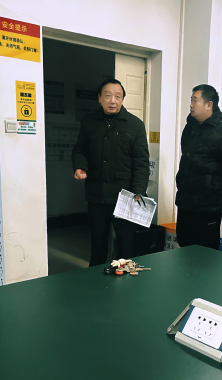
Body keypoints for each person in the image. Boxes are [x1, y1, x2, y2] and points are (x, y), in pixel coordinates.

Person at [72, 78, 149, 266]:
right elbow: (79, 150)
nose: (112, 101)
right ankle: (96, 277)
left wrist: (138, 192)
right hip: (97, 194)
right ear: (99, 98)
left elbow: (141, 162)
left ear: (122, 99)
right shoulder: (89, 122)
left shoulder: (135, 125)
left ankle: (126, 277)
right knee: (98, 243)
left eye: (117, 96)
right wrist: (80, 166)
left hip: (126, 197)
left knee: (126, 243)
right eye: (107, 96)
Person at [175, 84, 222, 249]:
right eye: (191, 100)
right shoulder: (190, 128)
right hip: (185, 203)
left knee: (206, 254)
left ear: (209, 104)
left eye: (195, 100)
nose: (191, 105)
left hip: (208, 207)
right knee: (183, 247)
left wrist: (214, 186)